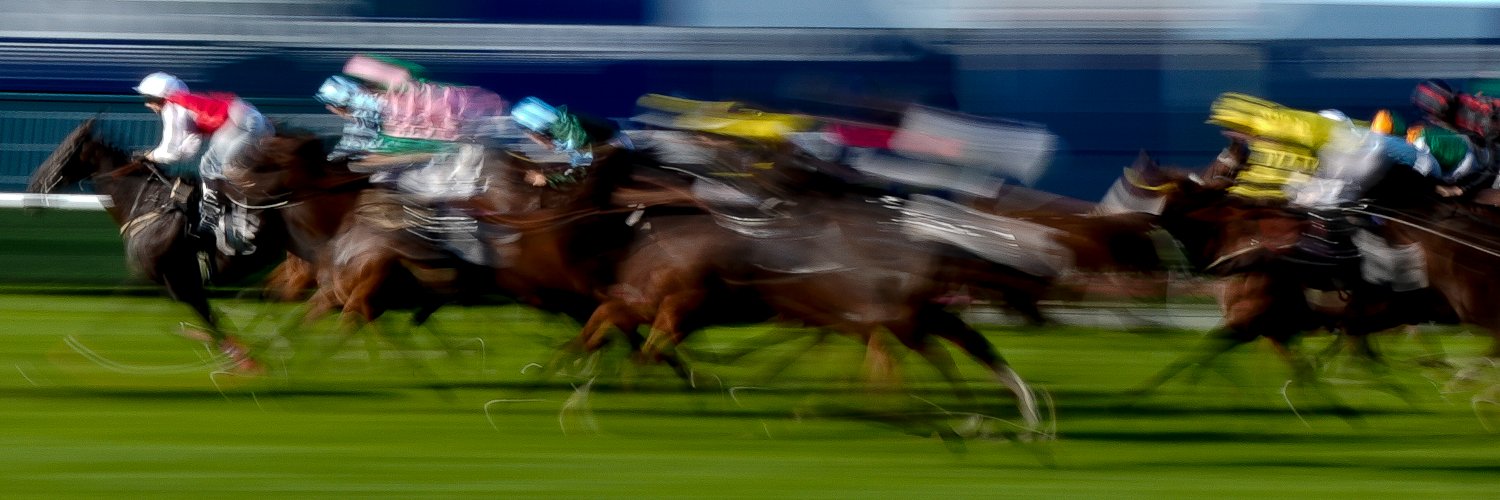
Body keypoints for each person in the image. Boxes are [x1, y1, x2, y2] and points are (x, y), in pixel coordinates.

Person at [135, 72, 272, 255]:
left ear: (161, 97)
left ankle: (221, 218)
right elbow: (189, 149)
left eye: (149, 98)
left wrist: (150, 156)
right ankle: (223, 213)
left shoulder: (172, 106)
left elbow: (171, 150)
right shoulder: (184, 105)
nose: (147, 104)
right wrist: (155, 156)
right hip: (250, 118)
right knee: (209, 166)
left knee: (217, 168)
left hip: (240, 123)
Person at [509, 96, 632, 187]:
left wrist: (547, 179)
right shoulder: (562, 125)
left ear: (538, 130)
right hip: (611, 154)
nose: (533, 140)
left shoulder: (571, 135)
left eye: (530, 134)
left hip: (619, 161)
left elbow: (583, 173)